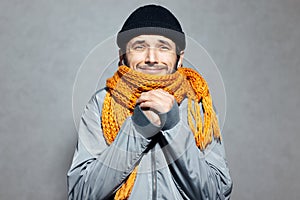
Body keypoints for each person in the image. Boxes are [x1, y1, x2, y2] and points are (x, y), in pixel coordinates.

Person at [67, 4, 232, 200]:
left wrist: (174, 128)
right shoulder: (101, 105)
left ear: (179, 59)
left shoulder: (198, 107)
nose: (152, 58)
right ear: (123, 56)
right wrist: (138, 129)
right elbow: (80, 195)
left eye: (163, 47)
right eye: (139, 47)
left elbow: (217, 195)